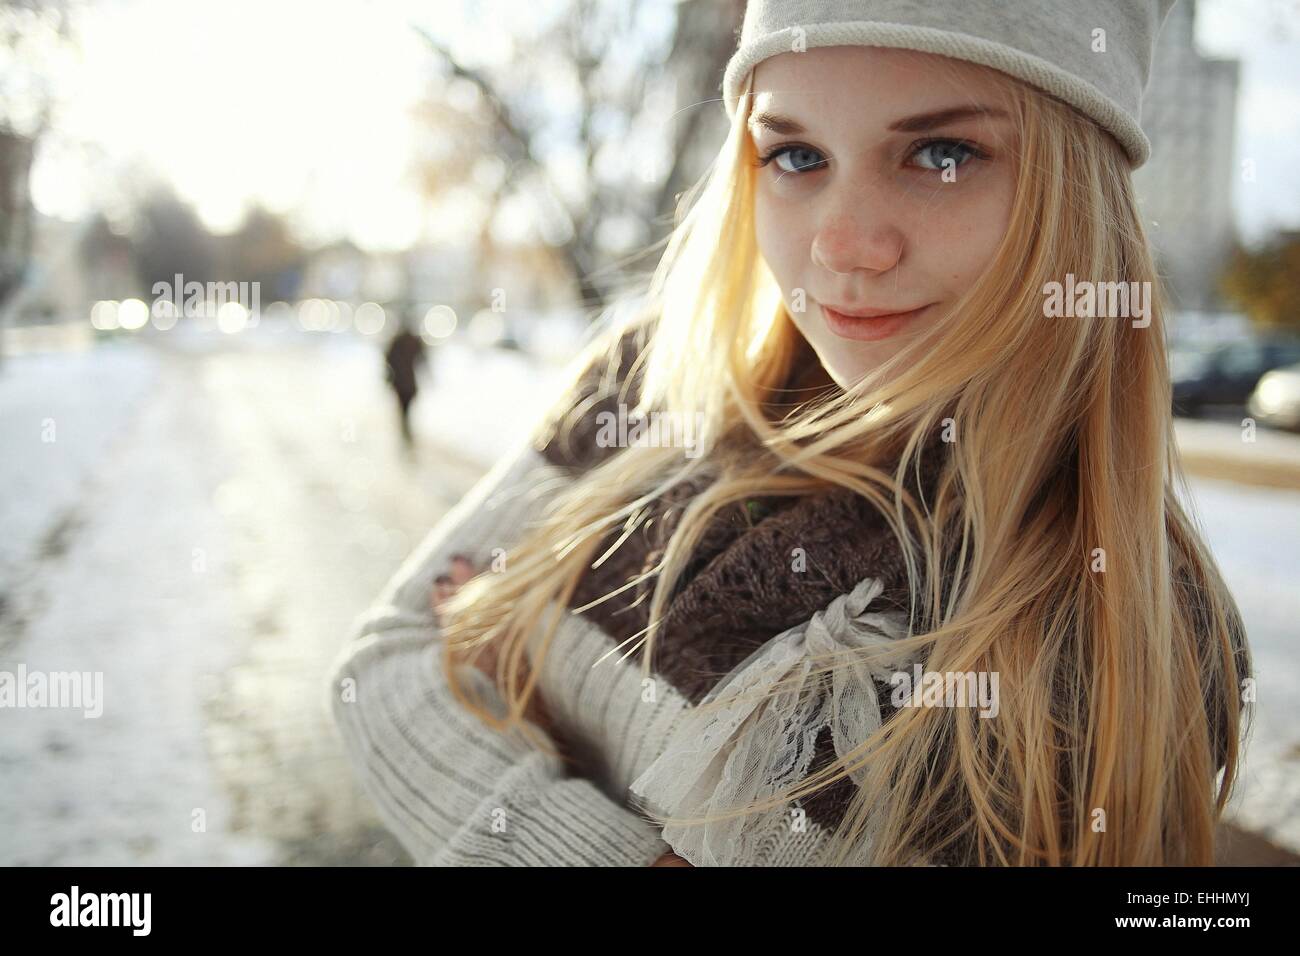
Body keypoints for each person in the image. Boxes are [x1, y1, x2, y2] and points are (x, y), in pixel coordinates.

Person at [328, 0, 1252, 866]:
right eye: (796, 157)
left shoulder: (1118, 632)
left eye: (941, 154)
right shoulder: (649, 379)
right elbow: (381, 672)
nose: (844, 246)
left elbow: (432, 685)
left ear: (1076, 193)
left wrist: (522, 693)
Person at [383, 315, 427, 449]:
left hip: (400, 384)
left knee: (403, 411)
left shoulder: (396, 342)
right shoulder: (414, 342)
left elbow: (387, 360)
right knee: (407, 411)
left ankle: (405, 432)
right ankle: (407, 433)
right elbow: (423, 359)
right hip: (410, 384)